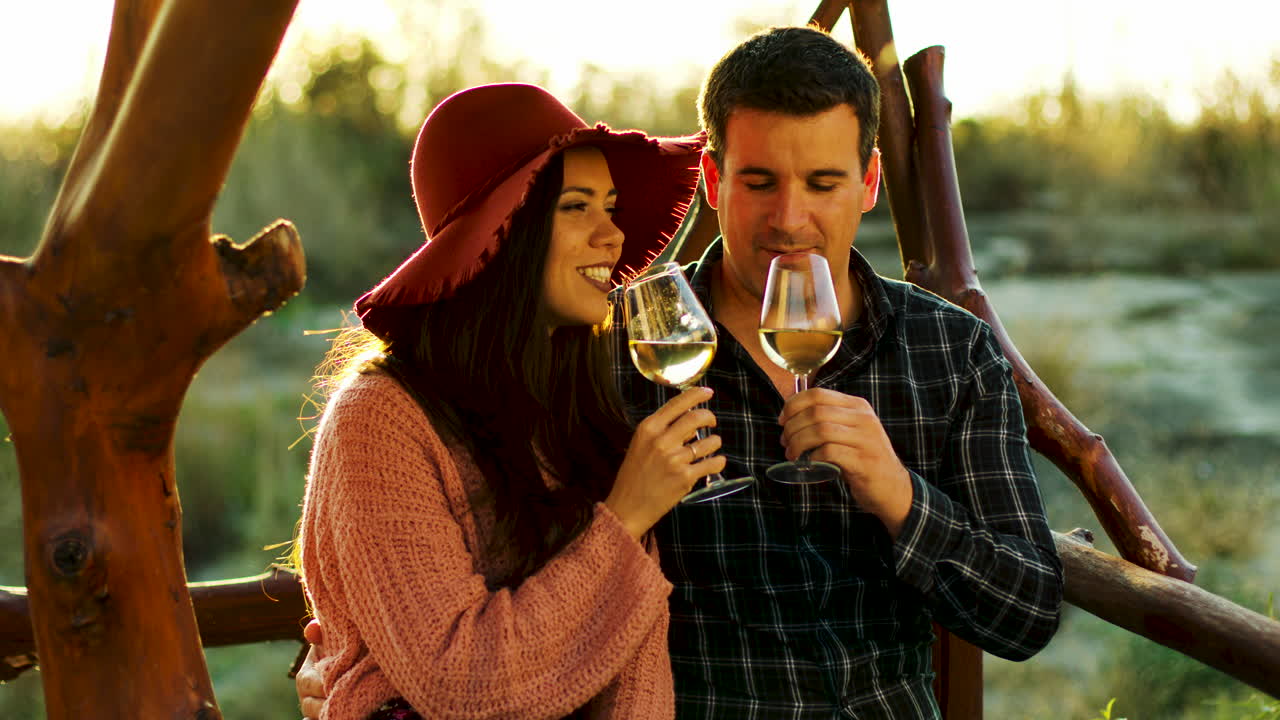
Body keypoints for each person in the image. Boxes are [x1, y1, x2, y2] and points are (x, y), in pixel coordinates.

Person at [301, 26, 1063, 719]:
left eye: (823, 184)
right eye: (760, 182)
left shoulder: (951, 353)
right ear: (711, 176)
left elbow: (1026, 616)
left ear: (867, 185)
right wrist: (349, 657)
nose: (790, 219)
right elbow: (460, 547)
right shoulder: (608, 349)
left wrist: (900, 498)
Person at [296, 82, 723, 719]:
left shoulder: (576, 401)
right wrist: (627, 515)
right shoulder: (379, 421)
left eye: (611, 206)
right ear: (502, 232)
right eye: (578, 207)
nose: (613, 236)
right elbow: (460, 680)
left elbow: (637, 661)